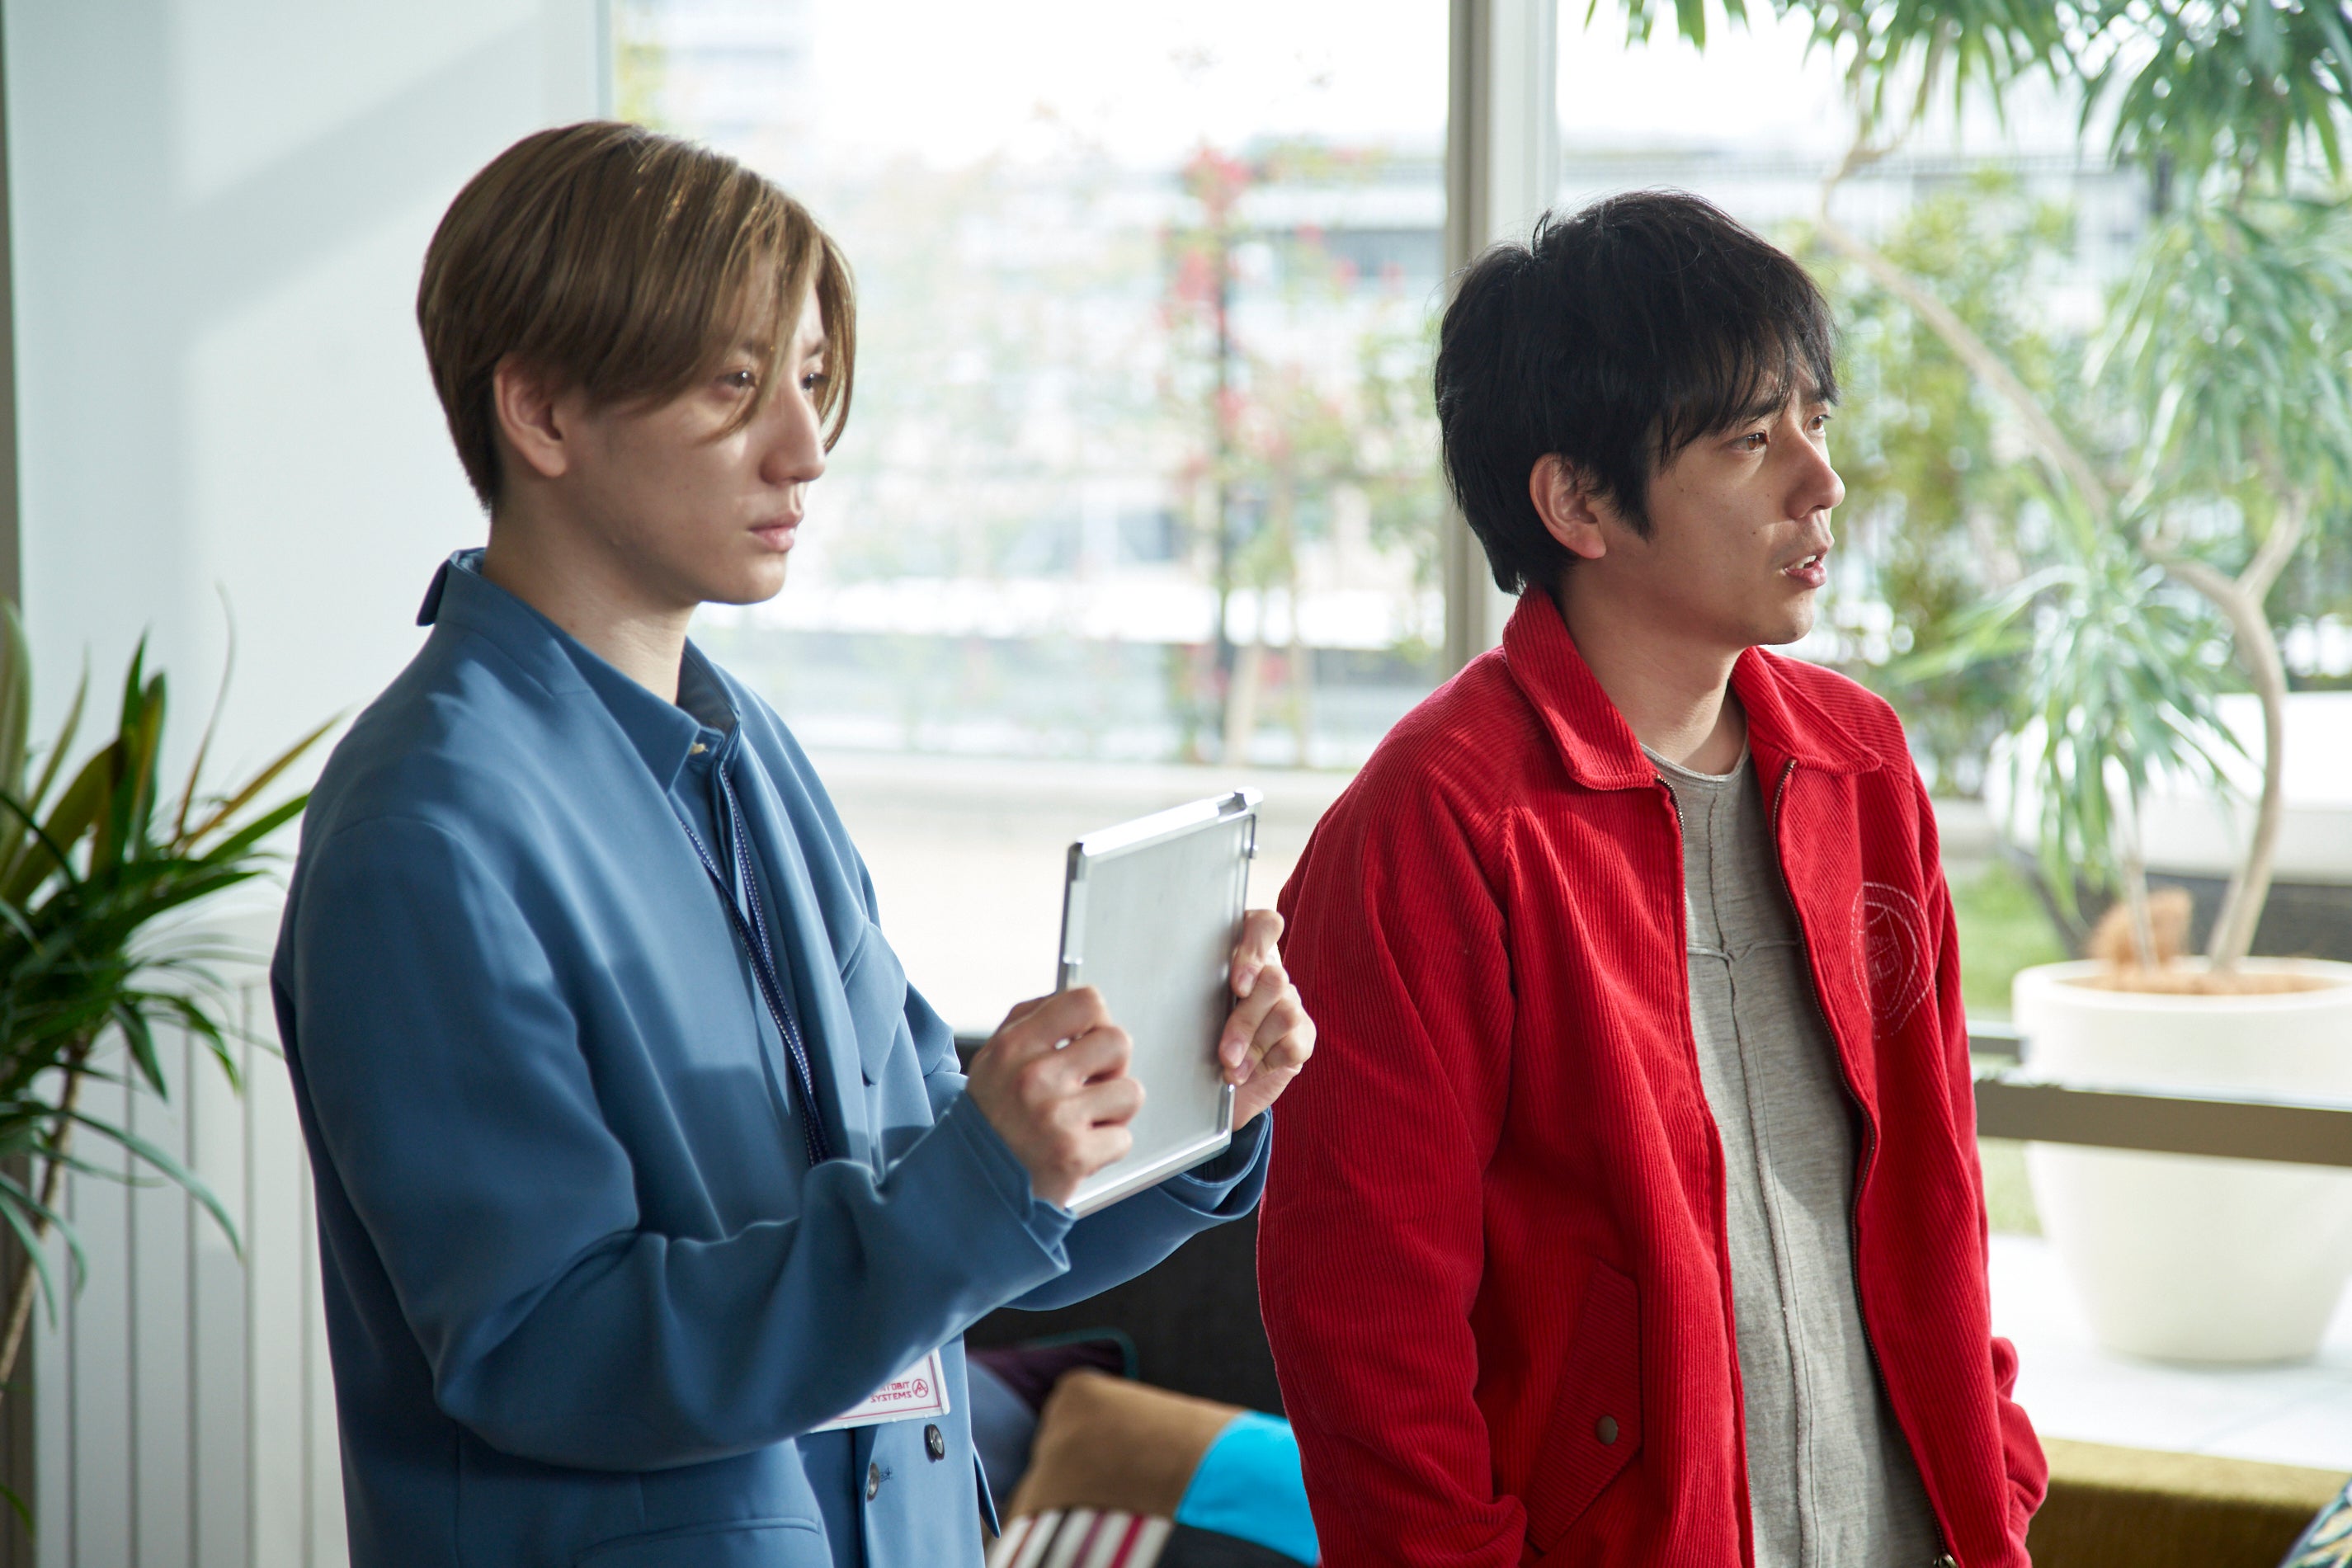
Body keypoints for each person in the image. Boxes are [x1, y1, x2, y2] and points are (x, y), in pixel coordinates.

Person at [270, 121, 1313, 1568]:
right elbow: (542, 1344)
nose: (806, 449)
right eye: (737, 384)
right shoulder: (427, 830)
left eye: (813, 382)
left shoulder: (745, 749)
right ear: (543, 412)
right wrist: (973, 1184)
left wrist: (1186, 1102)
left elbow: (925, 1196)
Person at [1256, 191, 2043, 1567]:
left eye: (1815, 420)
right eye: (1749, 440)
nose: (1820, 481)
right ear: (1577, 501)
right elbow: (1365, 1327)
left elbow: (1940, 1191)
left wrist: (1996, 1468)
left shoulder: (1862, 766)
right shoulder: (1435, 824)